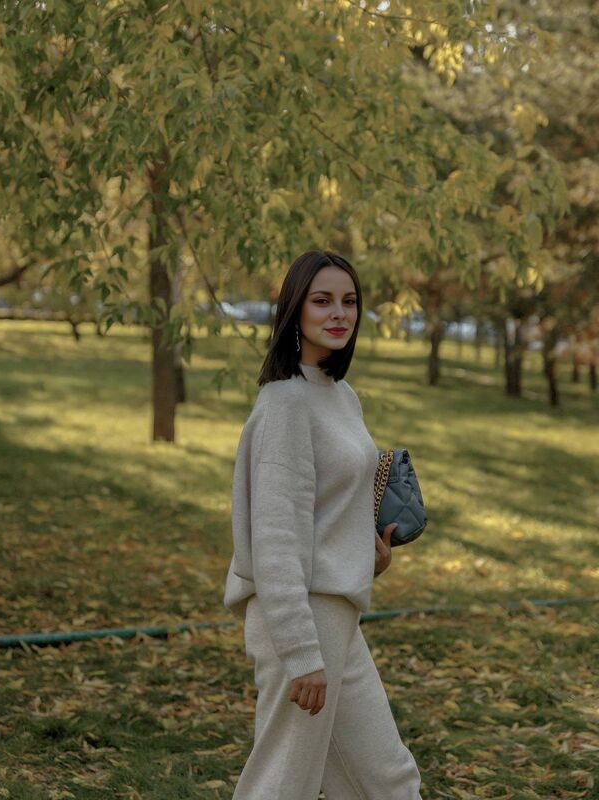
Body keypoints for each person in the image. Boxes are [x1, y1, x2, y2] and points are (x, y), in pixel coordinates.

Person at [223, 250, 423, 800]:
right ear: (295, 309)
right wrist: (301, 653)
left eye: (349, 301)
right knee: (283, 782)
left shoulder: (340, 395)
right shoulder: (285, 402)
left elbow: (326, 507)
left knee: (386, 779)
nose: (339, 313)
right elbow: (275, 536)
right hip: (299, 620)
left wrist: (365, 552)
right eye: (322, 301)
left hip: (337, 615)